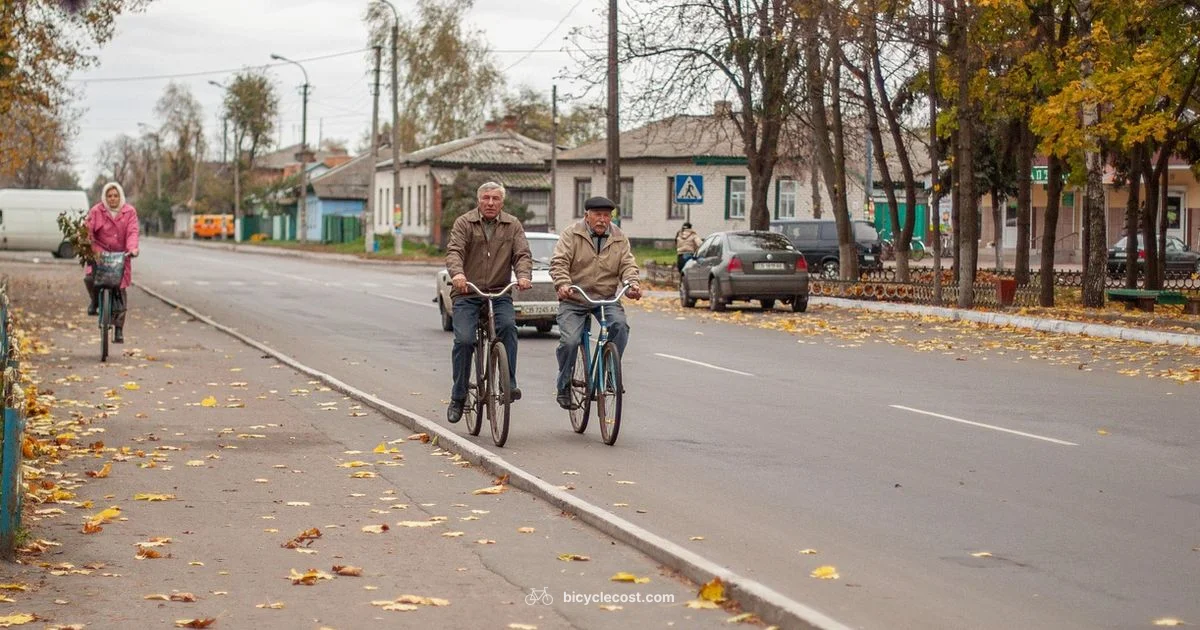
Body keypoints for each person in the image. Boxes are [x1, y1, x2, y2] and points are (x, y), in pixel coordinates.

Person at [444, 182, 533, 424]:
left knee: (507, 327)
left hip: (498, 292)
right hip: (467, 293)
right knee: (464, 340)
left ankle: (509, 382)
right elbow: (454, 251)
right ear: (479, 201)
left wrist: (524, 276)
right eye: (486, 198)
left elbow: (522, 254)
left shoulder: (512, 224)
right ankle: (459, 395)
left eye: (495, 198)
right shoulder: (465, 223)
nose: (490, 203)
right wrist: (458, 275)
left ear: (502, 202)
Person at [550, 196, 642, 410]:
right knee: (570, 341)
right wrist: (563, 284)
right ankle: (563, 384)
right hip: (574, 296)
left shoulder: (619, 237)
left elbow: (628, 264)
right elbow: (559, 262)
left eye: (607, 215)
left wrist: (632, 284)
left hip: (606, 298)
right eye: (597, 215)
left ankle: (609, 373)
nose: (602, 220)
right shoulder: (571, 234)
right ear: (587, 216)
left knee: (619, 326)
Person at [84, 182, 140, 344]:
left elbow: (132, 232)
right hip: (99, 253)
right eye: (109, 196)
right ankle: (94, 301)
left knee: (120, 291)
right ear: (105, 197)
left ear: (120, 196)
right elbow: (88, 230)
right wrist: (86, 245)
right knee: (90, 278)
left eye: (115, 195)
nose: (113, 199)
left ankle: (119, 330)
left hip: (121, 255)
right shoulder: (96, 211)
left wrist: (132, 249)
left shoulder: (129, 212)